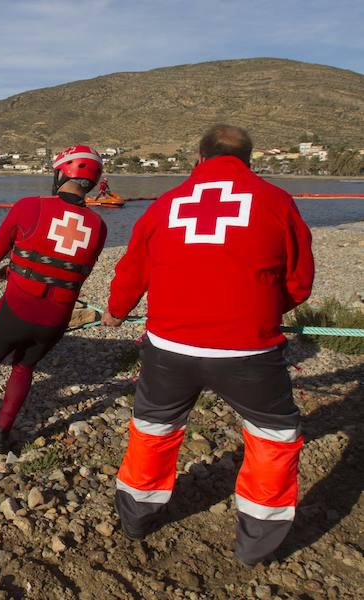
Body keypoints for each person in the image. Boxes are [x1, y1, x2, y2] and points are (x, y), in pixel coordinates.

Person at [101, 124, 314, 566]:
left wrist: (116, 311)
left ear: (198, 159)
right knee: (273, 437)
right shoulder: (276, 202)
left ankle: (136, 519)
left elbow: (131, 271)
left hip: (168, 349)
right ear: (249, 161)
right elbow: (299, 281)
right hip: (249, 353)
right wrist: (262, 310)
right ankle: (256, 545)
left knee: (153, 428)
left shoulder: (165, 205)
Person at [0, 145, 108, 453]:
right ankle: (1, 433)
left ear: (61, 173)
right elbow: (72, 268)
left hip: (17, 308)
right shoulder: (99, 226)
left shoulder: (29, 206)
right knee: (23, 369)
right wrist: (24, 268)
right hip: (56, 317)